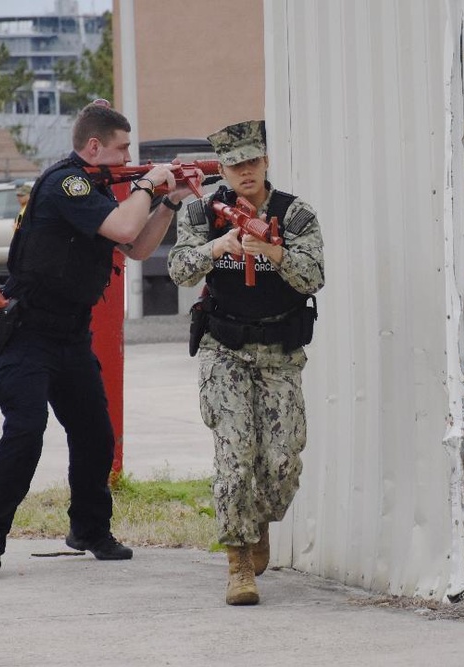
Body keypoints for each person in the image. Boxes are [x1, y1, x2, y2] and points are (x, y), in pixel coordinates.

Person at [0, 100, 193, 577]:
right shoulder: (69, 183)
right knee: (25, 431)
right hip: (27, 333)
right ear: (94, 146)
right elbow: (126, 224)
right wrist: (150, 184)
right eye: (122, 147)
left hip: (69, 336)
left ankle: (88, 529)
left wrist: (171, 200)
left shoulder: (98, 189)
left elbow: (136, 245)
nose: (128, 157)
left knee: (95, 435)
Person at [168, 120, 324, 605]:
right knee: (235, 459)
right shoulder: (201, 212)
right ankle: (238, 563)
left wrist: (274, 253)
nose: (246, 172)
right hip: (224, 350)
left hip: (279, 351)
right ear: (224, 169)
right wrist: (218, 248)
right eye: (235, 165)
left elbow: (314, 277)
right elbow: (176, 269)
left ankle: (257, 524)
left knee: (281, 462)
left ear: (266, 162)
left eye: (253, 162)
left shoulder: (294, 214)